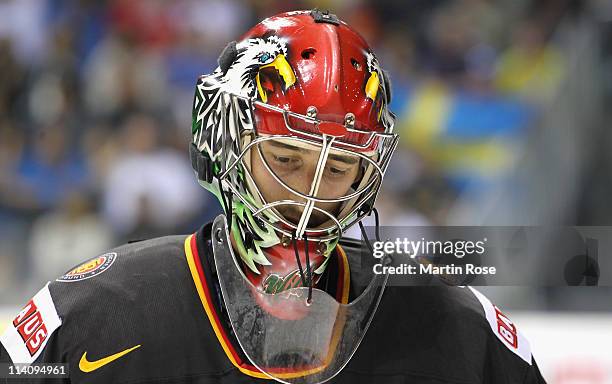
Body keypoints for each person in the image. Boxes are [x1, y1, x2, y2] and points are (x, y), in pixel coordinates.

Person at [0, 10, 546, 384]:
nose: (309, 193)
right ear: (226, 142)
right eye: (287, 159)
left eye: (337, 167)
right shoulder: (97, 316)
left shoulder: (459, 330)